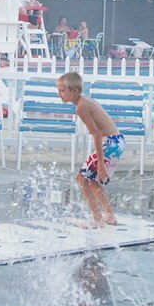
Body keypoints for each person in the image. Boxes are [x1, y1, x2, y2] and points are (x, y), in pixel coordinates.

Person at [59, 71, 120, 228]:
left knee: (81, 179)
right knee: (91, 180)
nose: (59, 94)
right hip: (117, 141)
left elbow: (97, 134)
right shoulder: (85, 101)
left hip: (109, 143)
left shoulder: (81, 107)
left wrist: (100, 163)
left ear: (74, 91)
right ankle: (109, 215)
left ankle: (98, 219)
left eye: (62, 90)